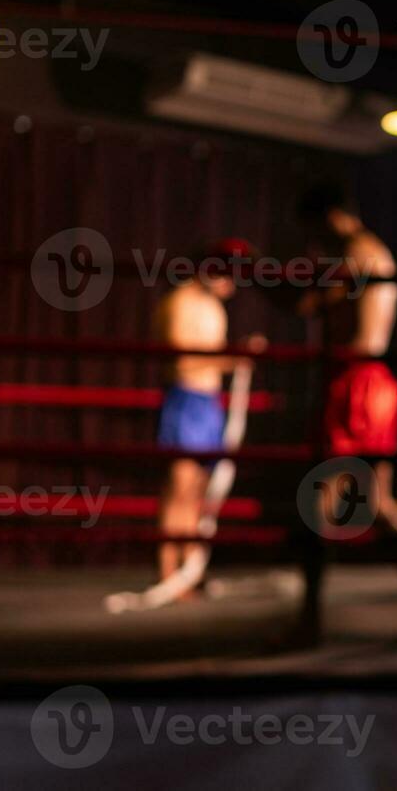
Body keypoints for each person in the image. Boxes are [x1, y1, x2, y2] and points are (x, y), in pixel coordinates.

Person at [296, 183, 397, 635]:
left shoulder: (355, 256)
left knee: (318, 500)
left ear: (333, 217)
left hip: (357, 383)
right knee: (374, 501)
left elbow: (310, 307)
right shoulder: (371, 253)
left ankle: (308, 621)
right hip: (372, 383)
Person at [151, 237, 255, 600]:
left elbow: (209, 361)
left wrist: (232, 361)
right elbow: (182, 362)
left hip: (210, 402)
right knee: (180, 488)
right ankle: (169, 574)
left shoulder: (215, 308)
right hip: (185, 400)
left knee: (198, 493)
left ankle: (188, 574)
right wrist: (233, 359)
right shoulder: (179, 302)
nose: (232, 283)